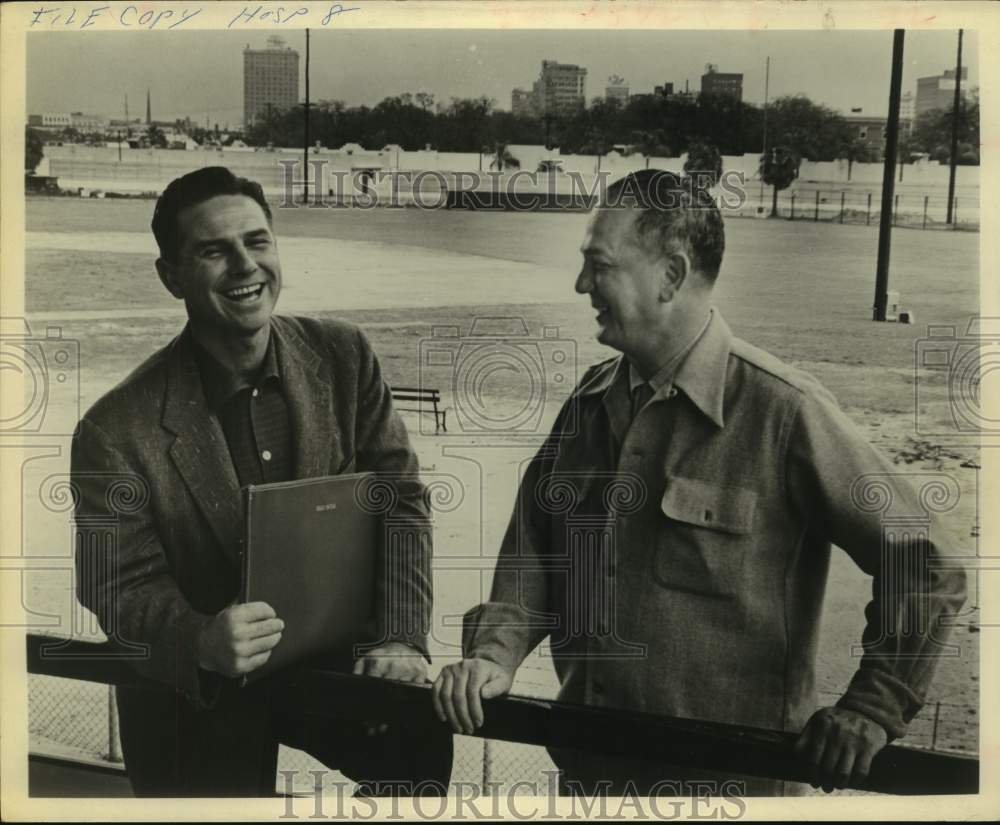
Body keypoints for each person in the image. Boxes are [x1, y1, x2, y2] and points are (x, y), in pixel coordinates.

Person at [431, 169, 966, 796]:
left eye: (598, 266)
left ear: (671, 275)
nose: (582, 285)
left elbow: (928, 561)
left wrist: (874, 706)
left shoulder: (783, 412)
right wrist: (495, 655)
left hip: (733, 795)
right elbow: (537, 551)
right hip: (590, 783)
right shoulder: (588, 403)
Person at [72, 166, 452, 796]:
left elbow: (401, 502)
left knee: (419, 734)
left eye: (257, 241)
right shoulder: (114, 429)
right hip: (197, 689)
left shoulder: (344, 355)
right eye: (214, 251)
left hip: (328, 660)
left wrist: (401, 638)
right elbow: (114, 584)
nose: (245, 267)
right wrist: (198, 639)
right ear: (172, 276)